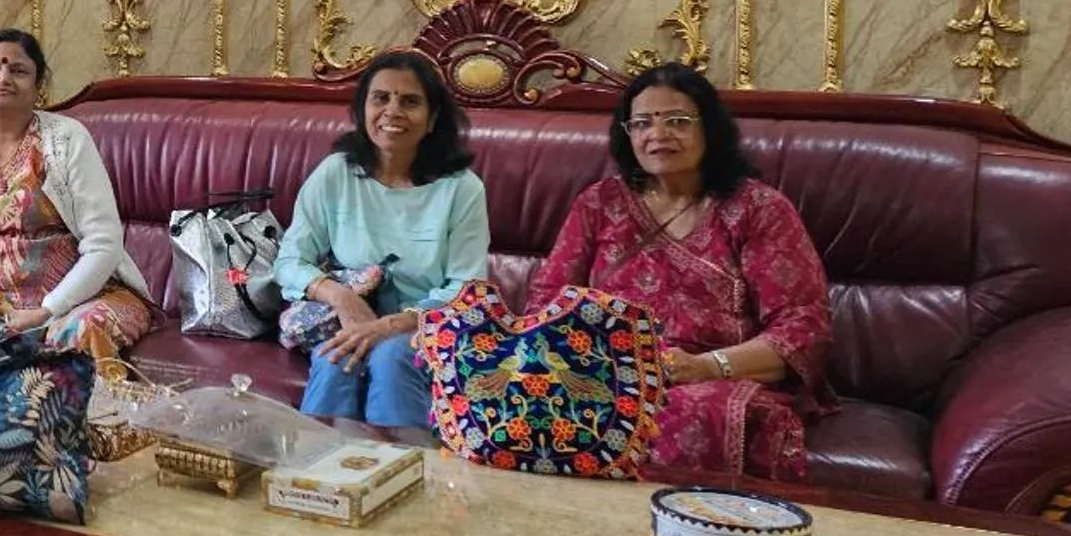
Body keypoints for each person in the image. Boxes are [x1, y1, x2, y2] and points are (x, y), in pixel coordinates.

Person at [531, 65, 834, 480]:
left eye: (677, 121)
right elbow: (548, 302)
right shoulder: (599, 203)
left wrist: (705, 366)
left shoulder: (758, 209)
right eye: (642, 123)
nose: (657, 134)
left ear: (710, 128)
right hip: (609, 369)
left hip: (718, 374)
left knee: (681, 411)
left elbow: (802, 328)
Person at [0, 28, 152, 360]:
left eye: (18, 70)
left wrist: (49, 310)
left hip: (82, 300)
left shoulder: (67, 138)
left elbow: (104, 243)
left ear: (38, 86)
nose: (3, 77)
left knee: (80, 334)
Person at [277, 50, 490, 429]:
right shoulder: (336, 173)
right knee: (334, 357)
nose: (392, 111)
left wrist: (390, 326)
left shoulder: (462, 189)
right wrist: (341, 297)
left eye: (410, 102)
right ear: (363, 110)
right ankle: (315, 464)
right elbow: (290, 261)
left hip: (427, 326)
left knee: (390, 356)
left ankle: (407, 463)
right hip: (349, 319)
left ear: (432, 119)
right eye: (380, 98)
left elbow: (466, 288)